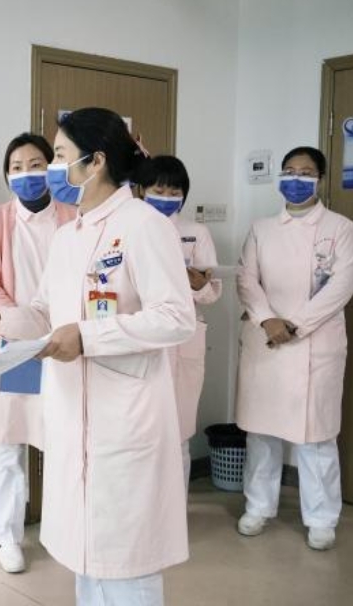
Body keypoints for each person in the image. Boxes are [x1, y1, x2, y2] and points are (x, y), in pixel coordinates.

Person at [0, 108, 195, 606]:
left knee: (126, 563)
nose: (53, 169)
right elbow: (43, 313)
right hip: (73, 413)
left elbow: (175, 317)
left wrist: (86, 337)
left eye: (59, 156)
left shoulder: (144, 225)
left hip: (125, 417)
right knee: (86, 561)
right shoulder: (69, 236)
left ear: (95, 161)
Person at [236, 146, 353, 551]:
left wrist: (295, 324)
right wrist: (268, 319)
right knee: (261, 432)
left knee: (316, 436)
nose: (296, 179)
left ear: (320, 179)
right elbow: (247, 279)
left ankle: (321, 518)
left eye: (306, 172)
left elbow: (342, 285)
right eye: (289, 171)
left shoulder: (341, 228)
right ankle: (258, 506)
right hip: (267, 340)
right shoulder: (262, 228)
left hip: (315, 343)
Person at [0, 133, 76, 573]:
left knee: (63, 442)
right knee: (8, 444)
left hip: (61, 344)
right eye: (16, 167)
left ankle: (63, 531)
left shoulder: (73, 217)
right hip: (12, 345)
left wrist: (51, 332)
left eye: (36, 164)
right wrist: (20, 326)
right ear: (6, 175)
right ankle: (8, 538)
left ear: (53, 169)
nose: (26, 174)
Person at [133, 156, 222, 492]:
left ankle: (175, 509)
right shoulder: (130, 227)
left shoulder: (196, 233)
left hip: (183, 338)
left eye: (174, 191)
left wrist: (198, 286)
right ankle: (143, 508)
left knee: (179, 430)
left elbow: (213, 291)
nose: (166, 197)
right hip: (140, 335)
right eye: (159, 189)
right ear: (141, 190)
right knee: (140, 429)